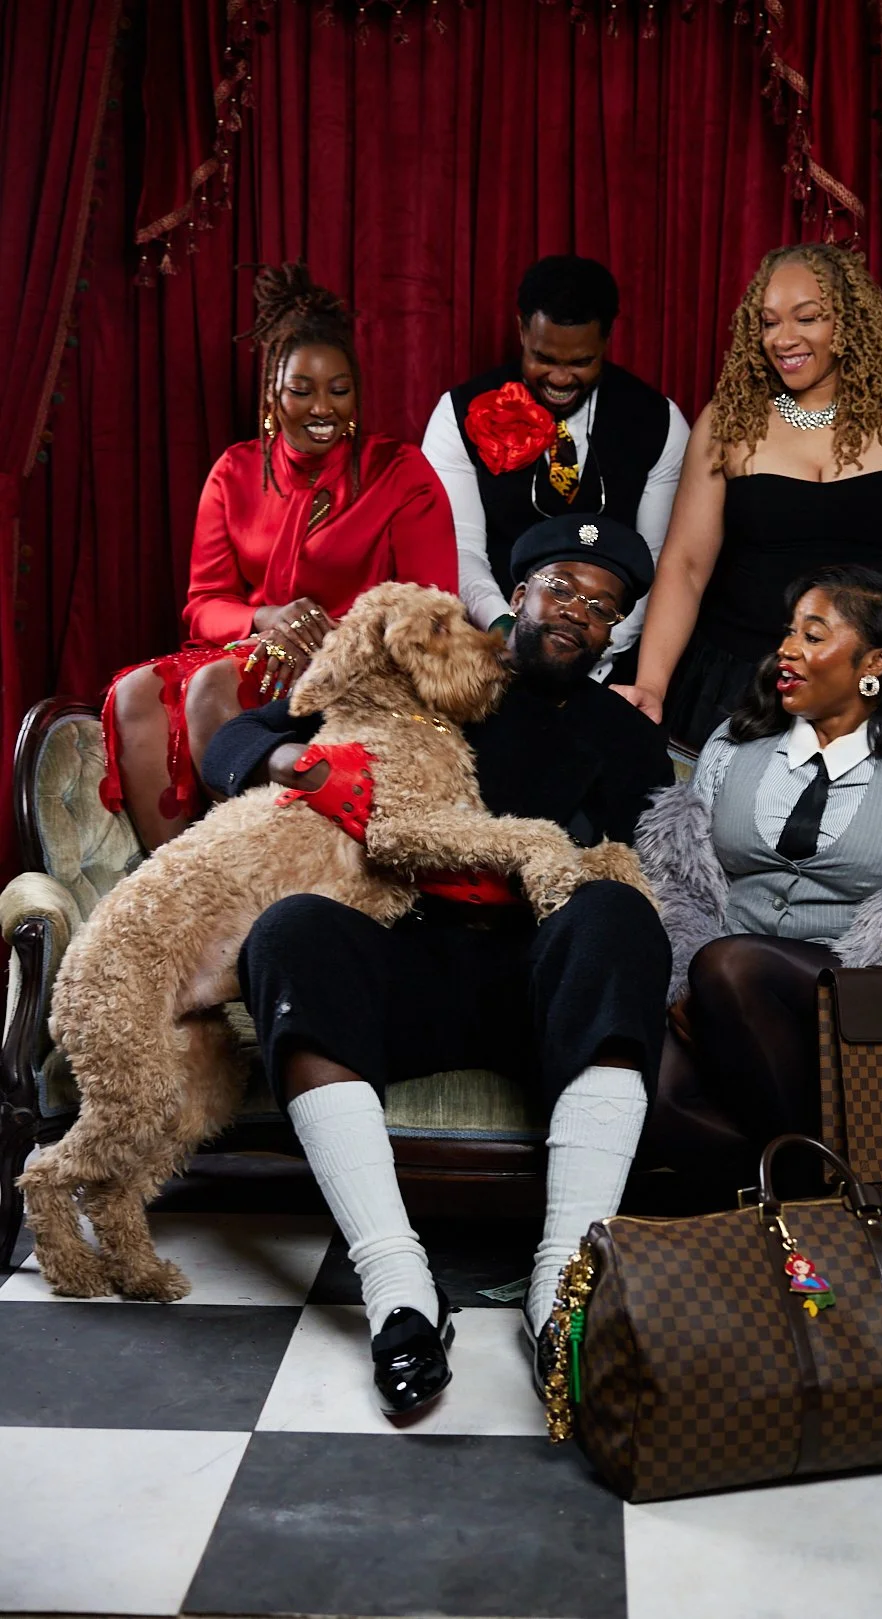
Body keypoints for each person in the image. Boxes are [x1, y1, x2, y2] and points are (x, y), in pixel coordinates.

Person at [200, 514, 674, 1415]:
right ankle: (400, 1287)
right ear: (519, 593)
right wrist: (287, 757)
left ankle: (563, 1288)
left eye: (606, 608)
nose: (580, 613)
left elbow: (651, 866)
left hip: (537, 979)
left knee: (619, 909)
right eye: (564, 588)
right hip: (407, 953)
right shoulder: (427, 659)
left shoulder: (623, 732)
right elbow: (240, 736)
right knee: (291, 931)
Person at [636, 565, 882, 1160]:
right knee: (659, 1101)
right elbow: (679, 880)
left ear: (875, 664)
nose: (788, 650)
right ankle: (831, 1185)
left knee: (733, 963)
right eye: (789, 633)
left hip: (854, 987)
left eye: (814, 637)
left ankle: (819, 1189)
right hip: (720, 976)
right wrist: (683, 975)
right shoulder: (733, 745)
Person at [102, 263, 457, 850]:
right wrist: (264, 618)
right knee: (137, 690)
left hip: (356, 665)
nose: (323, 408)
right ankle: (166, 870)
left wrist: (338, 641)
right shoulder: (236, 472)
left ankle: (241, 865)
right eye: (303, 390)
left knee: (213, 683)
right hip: (257, 648)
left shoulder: (399, 474)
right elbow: (203, 605)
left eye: (339, 390)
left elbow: (432, 607)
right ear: (273, 391)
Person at [615, 243, 882, 749]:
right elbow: (686, 566)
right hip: (739, 679)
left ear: (848, 321)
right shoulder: (728, 419)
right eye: (768, 323)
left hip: (870, 677)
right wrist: (652, 684)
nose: (783, 339)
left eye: (806, 318)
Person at [421, 254, 690, 684]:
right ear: (521, 329)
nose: (561, 378)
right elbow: (461, 549)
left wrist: (592, 650)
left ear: (607, 339)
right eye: (544, 357)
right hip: (489, 655)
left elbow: (657, 561)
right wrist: (506, 630)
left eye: (581, 362)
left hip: (609, 664)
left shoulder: (660, 420)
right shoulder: (456, 414)